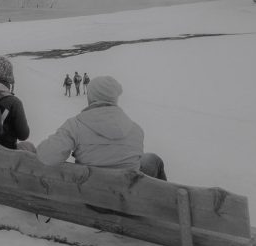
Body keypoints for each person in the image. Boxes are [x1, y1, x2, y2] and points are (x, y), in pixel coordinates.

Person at [36, 76, 166, 180]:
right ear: (114, 98)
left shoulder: (74, 125)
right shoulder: (136, 130)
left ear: (92, 97)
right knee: (153, 160)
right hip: (128, 200)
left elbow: (45, 156)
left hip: (91, 200)